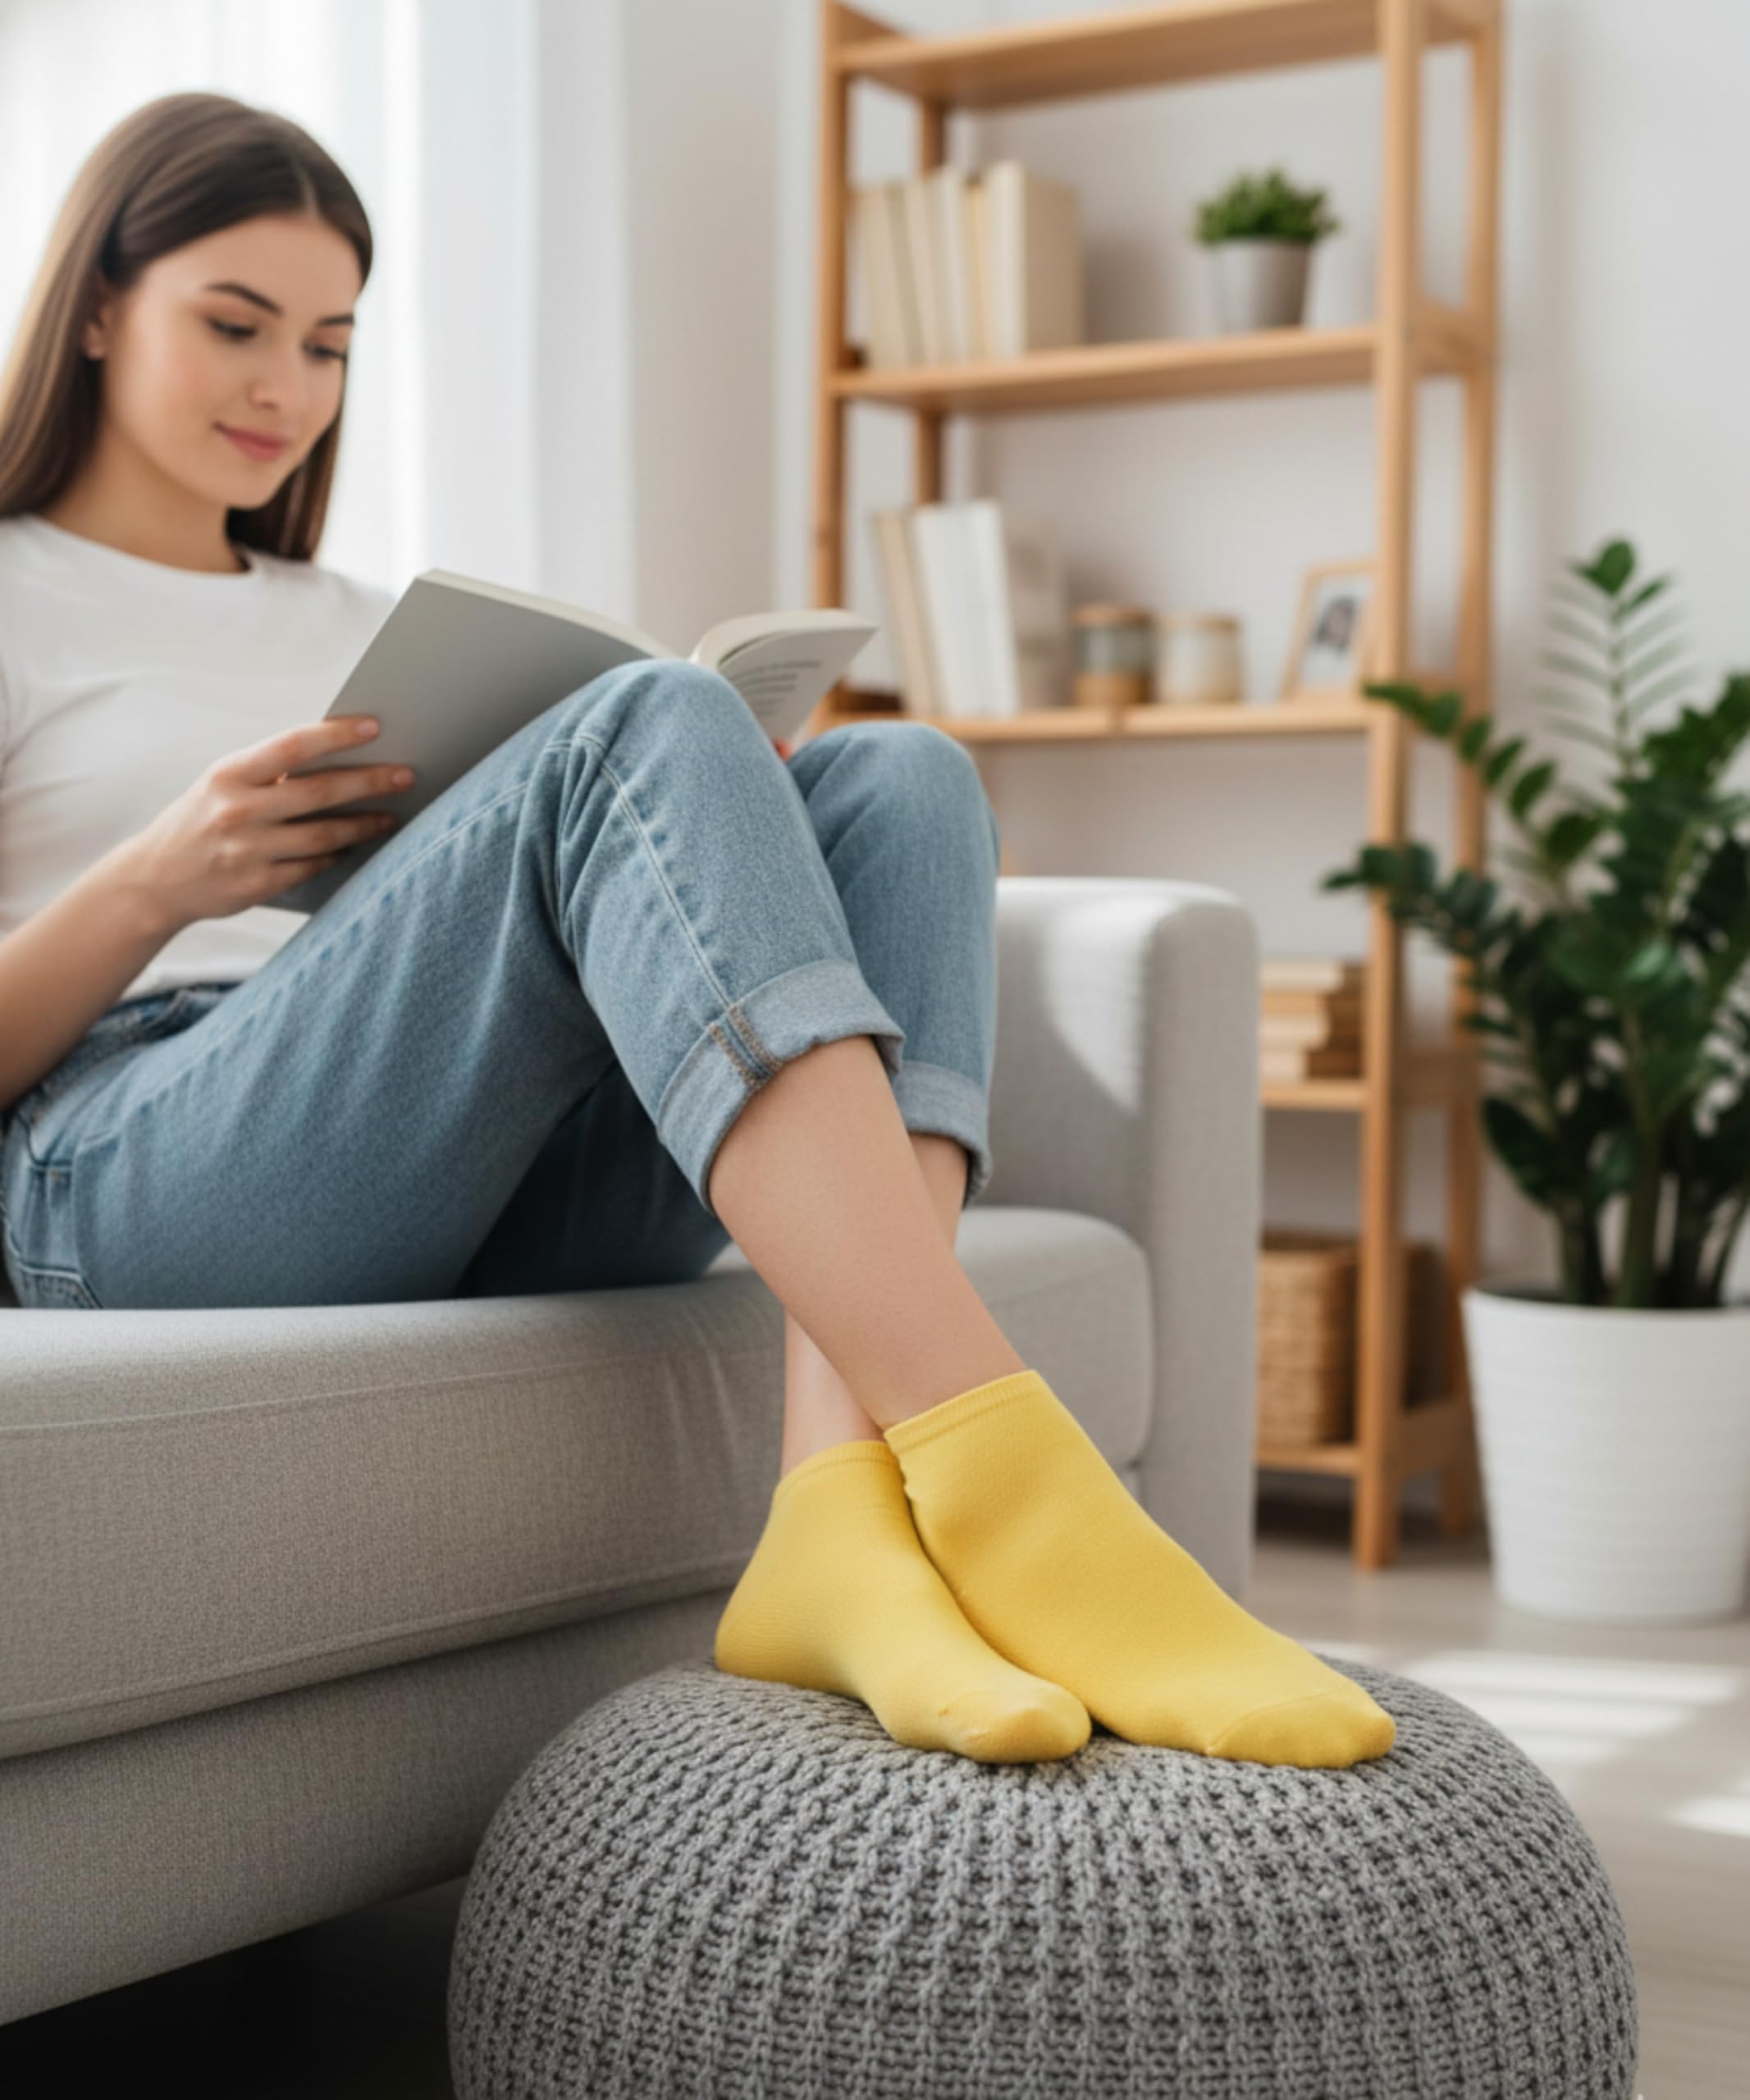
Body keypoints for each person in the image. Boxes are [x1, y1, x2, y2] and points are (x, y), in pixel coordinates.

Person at [0, 92, 1395, 1775]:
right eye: (232, 324)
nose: (284, 388)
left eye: (328, 343)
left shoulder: (359, 623)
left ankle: (834, 1514)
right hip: (124, 1169)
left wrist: (726, 816)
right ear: (92, 306)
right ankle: (1019, 1484)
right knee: (641, 723)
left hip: (443, 1155)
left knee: (898, 778)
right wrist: (160, 875)